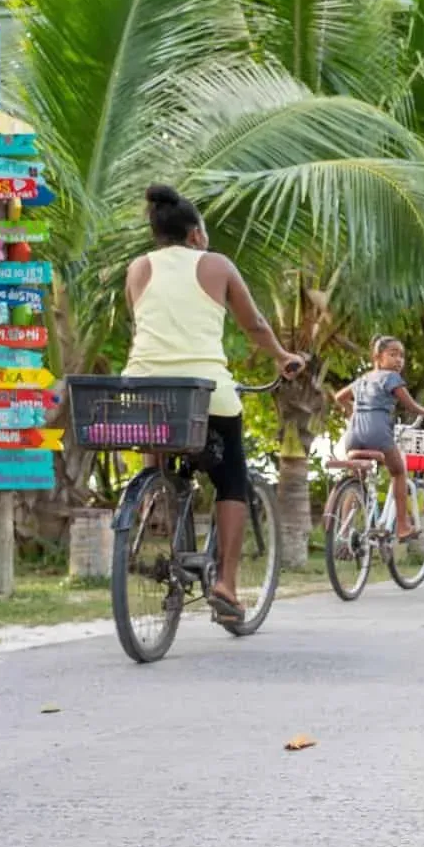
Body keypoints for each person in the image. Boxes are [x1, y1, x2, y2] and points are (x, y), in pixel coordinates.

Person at [123, 184, 306, 623]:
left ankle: (158, 501)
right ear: (196, 235)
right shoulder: (216, 264)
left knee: (159, 454)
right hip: (204, 393)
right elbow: (255, 324)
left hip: (143, 388)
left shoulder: (138, 268)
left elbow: (144, 326)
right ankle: (225, 582)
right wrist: (283, 357)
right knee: (231, 478)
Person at [333, 336, 424, 541]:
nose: (399, 360)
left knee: (358, 479)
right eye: (392, 354)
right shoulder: (391, 378)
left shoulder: (363, 379)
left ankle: (344, 532)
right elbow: (410, 405)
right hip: (378, 432)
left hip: (353, 435)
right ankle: (402, 526)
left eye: (401, 356)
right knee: (398, 472)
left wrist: (352, 412)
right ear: (378, 358)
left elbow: (339, 397)